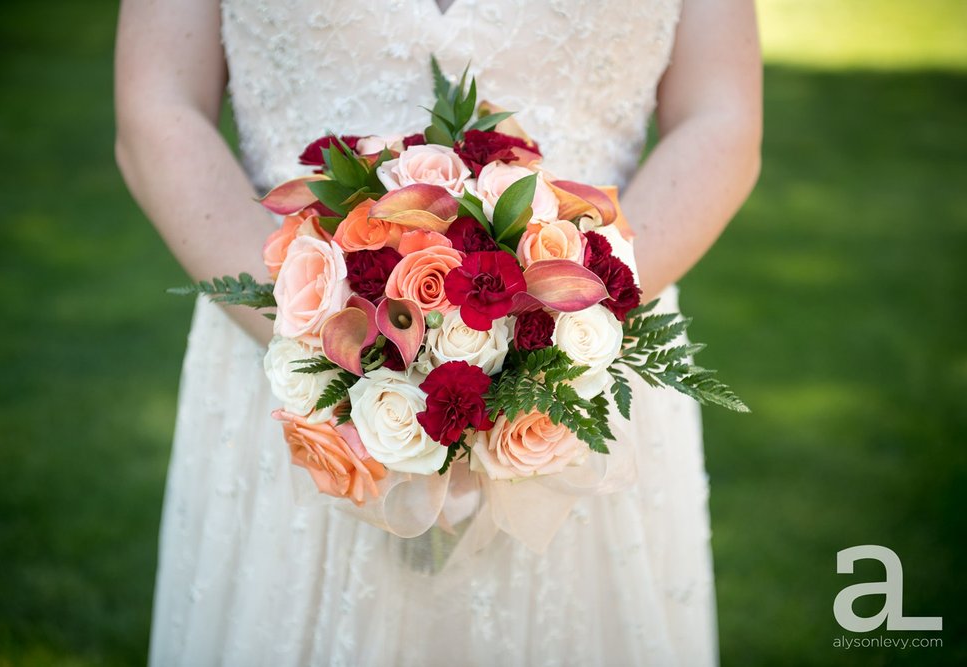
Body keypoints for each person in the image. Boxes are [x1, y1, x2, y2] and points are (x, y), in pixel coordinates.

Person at [115, 0, 761, 664]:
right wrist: (324, 336)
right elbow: (157, 105)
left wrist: (557, 330)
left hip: (576, 387)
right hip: (286, 360)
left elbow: (721, 118)